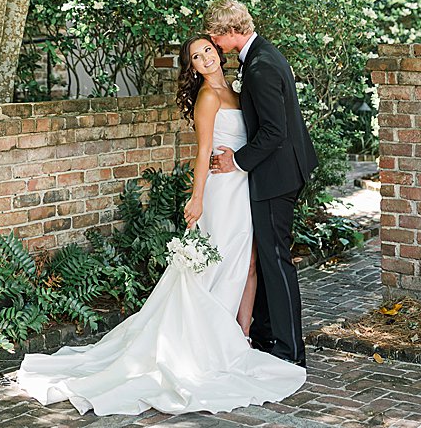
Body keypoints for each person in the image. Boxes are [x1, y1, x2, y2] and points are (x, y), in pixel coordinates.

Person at [15, 35, 306, 415]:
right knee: (217, 264)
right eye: (196, 58)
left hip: (243, 184)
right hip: (220, 192)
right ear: (192, 67)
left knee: (248, 263)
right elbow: (202, 152)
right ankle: (207, 344)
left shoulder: (236, 89)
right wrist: (197, 196)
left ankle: (241, 337)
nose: (205, 59)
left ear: (218, 52)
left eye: (207, 51)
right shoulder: (208, 98)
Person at [205, 0, 318, 367]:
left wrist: (235, 161)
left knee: (276, 259)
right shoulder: (261, 56)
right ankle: (269, 334)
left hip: (275, 176)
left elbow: (273, 132)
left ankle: (290, 351)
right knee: (268, 258)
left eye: (215, 37)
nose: (215, 45)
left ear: (231, 32)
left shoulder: (260, 67)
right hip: (280, 171)